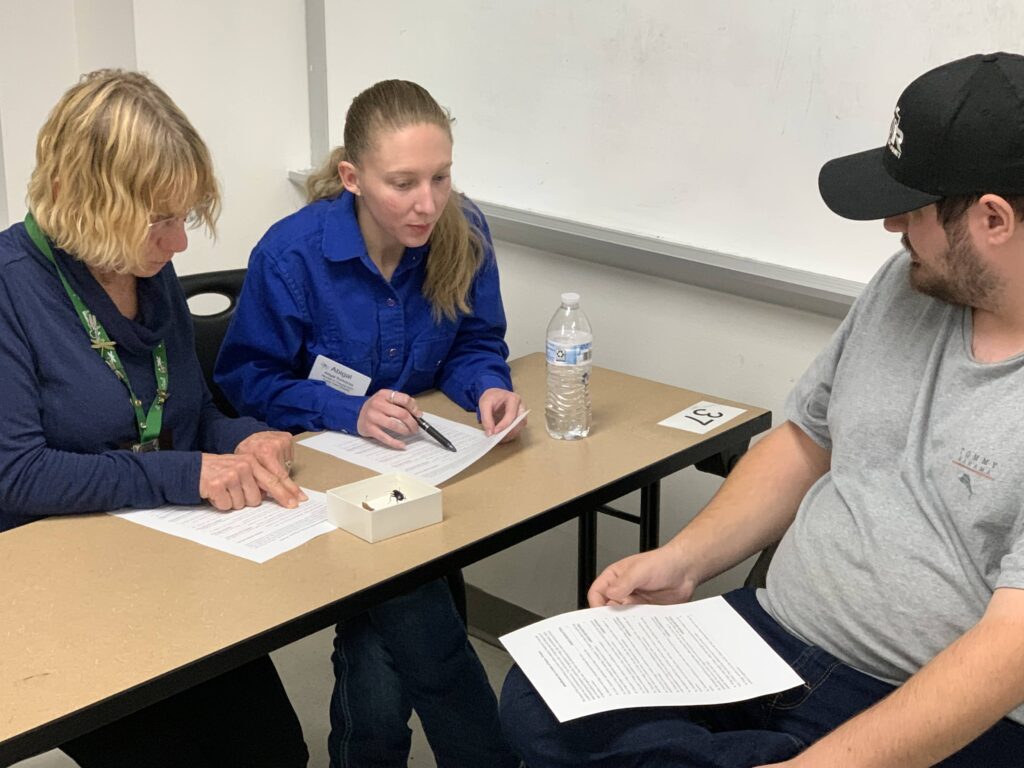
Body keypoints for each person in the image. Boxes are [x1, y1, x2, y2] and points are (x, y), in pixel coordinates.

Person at [500, 51, 1024, 768]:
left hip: (934, 701)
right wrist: (686, 559)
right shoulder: (908, 282)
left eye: (914, 208)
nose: (891, 224)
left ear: (993, 219)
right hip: (773, 638)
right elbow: (806, 441)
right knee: (545, 695)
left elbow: (1009, 650)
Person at [0, 69, 308, 767]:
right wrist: (186, 473)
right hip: (55, 588)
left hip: (166, 560)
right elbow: (16, 475)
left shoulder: (147, 269)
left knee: (274, 750)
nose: (179, 244)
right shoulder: (11, 288)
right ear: (82, 199)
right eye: (158, 219)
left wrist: (246, 438)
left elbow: (190, 418)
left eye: (183, 216)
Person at [215, 79, 523, 767]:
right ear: (352, 178)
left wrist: (488, 387)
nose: (428, 203)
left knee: (383, 641)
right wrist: (348, 410)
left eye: (441, 177)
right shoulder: (292, 255)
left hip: (425, 471)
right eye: (403, 183)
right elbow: (245, 381)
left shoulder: (463, 232)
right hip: (323, 481)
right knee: (425, 632)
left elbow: (475, 341)